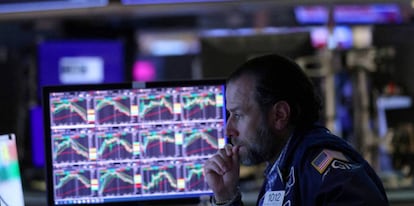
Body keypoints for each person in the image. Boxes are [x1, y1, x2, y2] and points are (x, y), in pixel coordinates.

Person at [203, 54, 389, 206]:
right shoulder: (283, 170)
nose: (229, 130)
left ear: (279, 115)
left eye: (238, 115)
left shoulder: (329, 176)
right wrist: (227, 197)